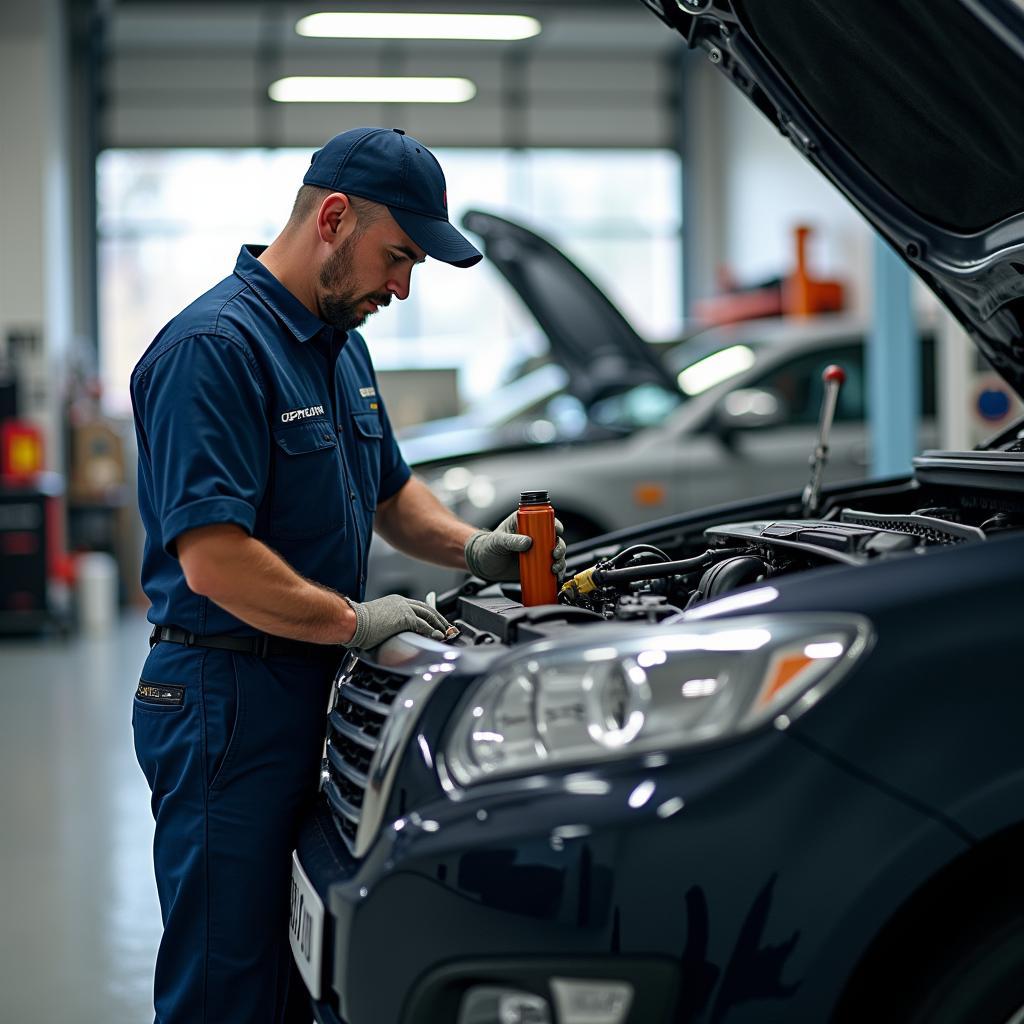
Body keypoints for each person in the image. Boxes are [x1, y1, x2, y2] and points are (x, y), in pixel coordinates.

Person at [129, 126, 566, 1024]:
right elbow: (213, 560)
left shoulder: (338, 343)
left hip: (310, 691)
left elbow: (395, 494)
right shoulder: (214, 349)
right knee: (228, 978)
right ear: (334, 218)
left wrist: (476, 548)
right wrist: (359, 621)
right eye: (397, 257)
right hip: (226, 698)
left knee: (298, 972)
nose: (401, 289)